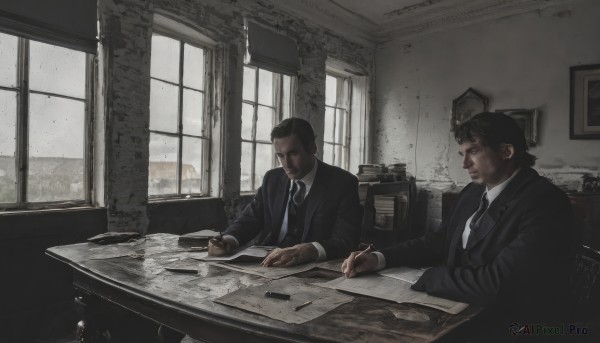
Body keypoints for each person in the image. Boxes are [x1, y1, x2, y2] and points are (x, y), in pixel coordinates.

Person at [342, 112, 576, 336]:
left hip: (517, 326)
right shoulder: (473, 192)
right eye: (462, 153)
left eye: (473, 151)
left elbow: (498, 284)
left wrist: (428, 278)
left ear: (507, 151)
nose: (464, 163)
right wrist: (379, 258)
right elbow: (438, 241)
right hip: (461, 307)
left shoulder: (544, 201)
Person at [210, 118, 362, 267]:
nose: (286, 164)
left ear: (312, 148)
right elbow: (250, 219)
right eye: (280, 156)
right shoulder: (272, 179)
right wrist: (229, 239)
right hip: (268, 265)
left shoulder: (343, 183)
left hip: (312, 270)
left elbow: (346, 241)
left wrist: (310, 250)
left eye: (293, 154)